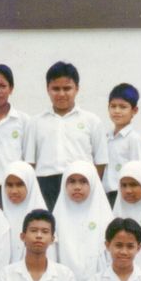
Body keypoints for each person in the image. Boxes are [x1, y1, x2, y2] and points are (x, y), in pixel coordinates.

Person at [24, 61, 108, 210]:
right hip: (45, 185)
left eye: (67, 88)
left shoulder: (92, 121)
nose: (61, 94)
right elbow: (30, 162)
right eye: (56, 89)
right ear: (47, 89)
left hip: (80, 183)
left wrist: (89, 184)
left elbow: (100, 161)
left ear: (77, 89)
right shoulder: (35, 122)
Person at [53, 160, 112, 281]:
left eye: (83, 181)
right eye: (72, 181)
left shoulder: (105, 217)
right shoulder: (56, 218)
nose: (77, 187)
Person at [0, 64, 30, 206]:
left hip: (14, 187)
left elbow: (28, 157)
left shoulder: (23, 120)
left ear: (11, 89)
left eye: (2, 86)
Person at [102, 83, 141, 207]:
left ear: (134, 110)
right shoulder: (106, 138)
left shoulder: (134, 139)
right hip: (105, 196)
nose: (117, 111)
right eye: (113, 106)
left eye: (123, 107)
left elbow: (140, 172)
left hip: (125, 196)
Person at [1, 161, 51, 263]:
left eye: (20, 185)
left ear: (30, 184)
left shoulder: (44, 219)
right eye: (9, 185)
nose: (14, 191)